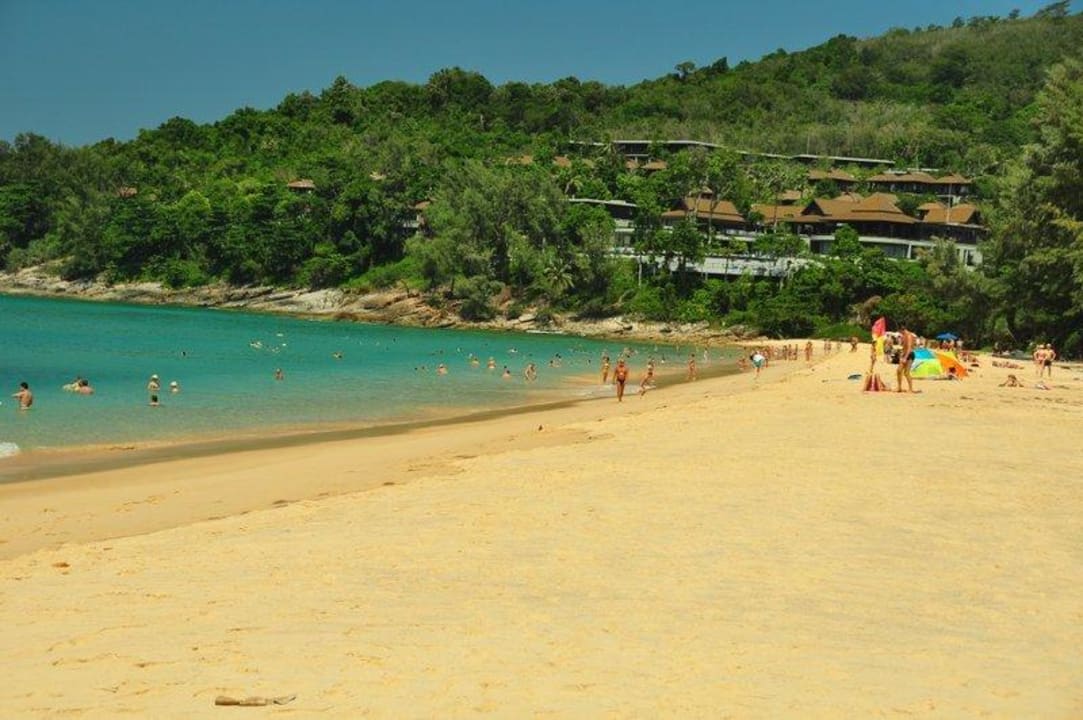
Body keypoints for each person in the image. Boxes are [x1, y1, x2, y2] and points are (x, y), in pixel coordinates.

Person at [896, 326, 917, 393]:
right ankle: (899, 387)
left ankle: (910, 389)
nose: (900, 334)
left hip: (910, 355)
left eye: (900, 332)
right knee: (899, 371)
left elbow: (909, 348)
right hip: (905, 355)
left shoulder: (909, 336)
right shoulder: (904, 335)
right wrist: (902, 355)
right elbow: (904, 347)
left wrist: (905, 357)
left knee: (906, 373)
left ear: (902, 330)